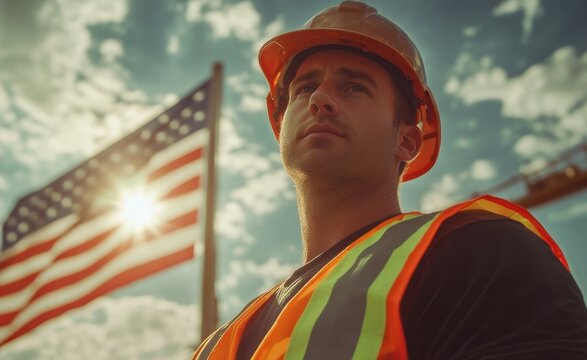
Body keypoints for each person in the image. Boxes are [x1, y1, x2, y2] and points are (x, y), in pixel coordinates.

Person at [193, 1, 587, 359]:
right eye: (305, 88)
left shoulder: (479, 248)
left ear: (407, 139)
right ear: (280, 125)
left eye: (354, 87)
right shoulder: (216, 346)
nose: (320, 99)